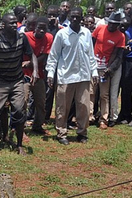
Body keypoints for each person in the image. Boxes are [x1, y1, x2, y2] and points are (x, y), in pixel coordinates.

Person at [0, 13, 35, 156]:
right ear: (3, 25)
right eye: (11, 23)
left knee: (19, 111)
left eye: (15, 23)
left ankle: (19, 145)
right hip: (0, 81)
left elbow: (31, 55)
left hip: (17, 80)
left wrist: (35, 69)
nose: (14, 25)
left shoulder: (22, 37)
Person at [46, 7, 97, 145]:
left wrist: (95, 71)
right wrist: (51, 73)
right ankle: (61, 133)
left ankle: (82, 132)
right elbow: (54, 55)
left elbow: (91, 55)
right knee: (63, 107)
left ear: (82, 18)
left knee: (83, 107)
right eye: (72, 16)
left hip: (84, 76)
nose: (75, 19)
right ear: (69, 17)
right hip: (65, 76)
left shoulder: (86, 33)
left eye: (78, 17)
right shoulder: (62, 34)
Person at [92, 11, 125, 130]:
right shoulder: (100, 29)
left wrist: (109, 69)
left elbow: (118, 55)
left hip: (105, 69)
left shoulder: (120, 36)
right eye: (110, 23)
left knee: (104, 95)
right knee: (90, 93)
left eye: (115, 24)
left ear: (118, 25)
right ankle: (89, 116)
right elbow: (91, 44)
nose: (111, 25)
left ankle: (103, 119)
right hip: (93, 66)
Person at [24, 16, 52, 135]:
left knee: (41, 102)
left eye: (44, 29)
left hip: (39, 74)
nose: (41, 31)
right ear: (34, 27)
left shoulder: (49, 38)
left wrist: (29, 63)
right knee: (22, 102)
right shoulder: (26, 37)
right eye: (39, 28)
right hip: (24, 74)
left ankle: (37, 126)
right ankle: (19, 128)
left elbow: (44, 57)